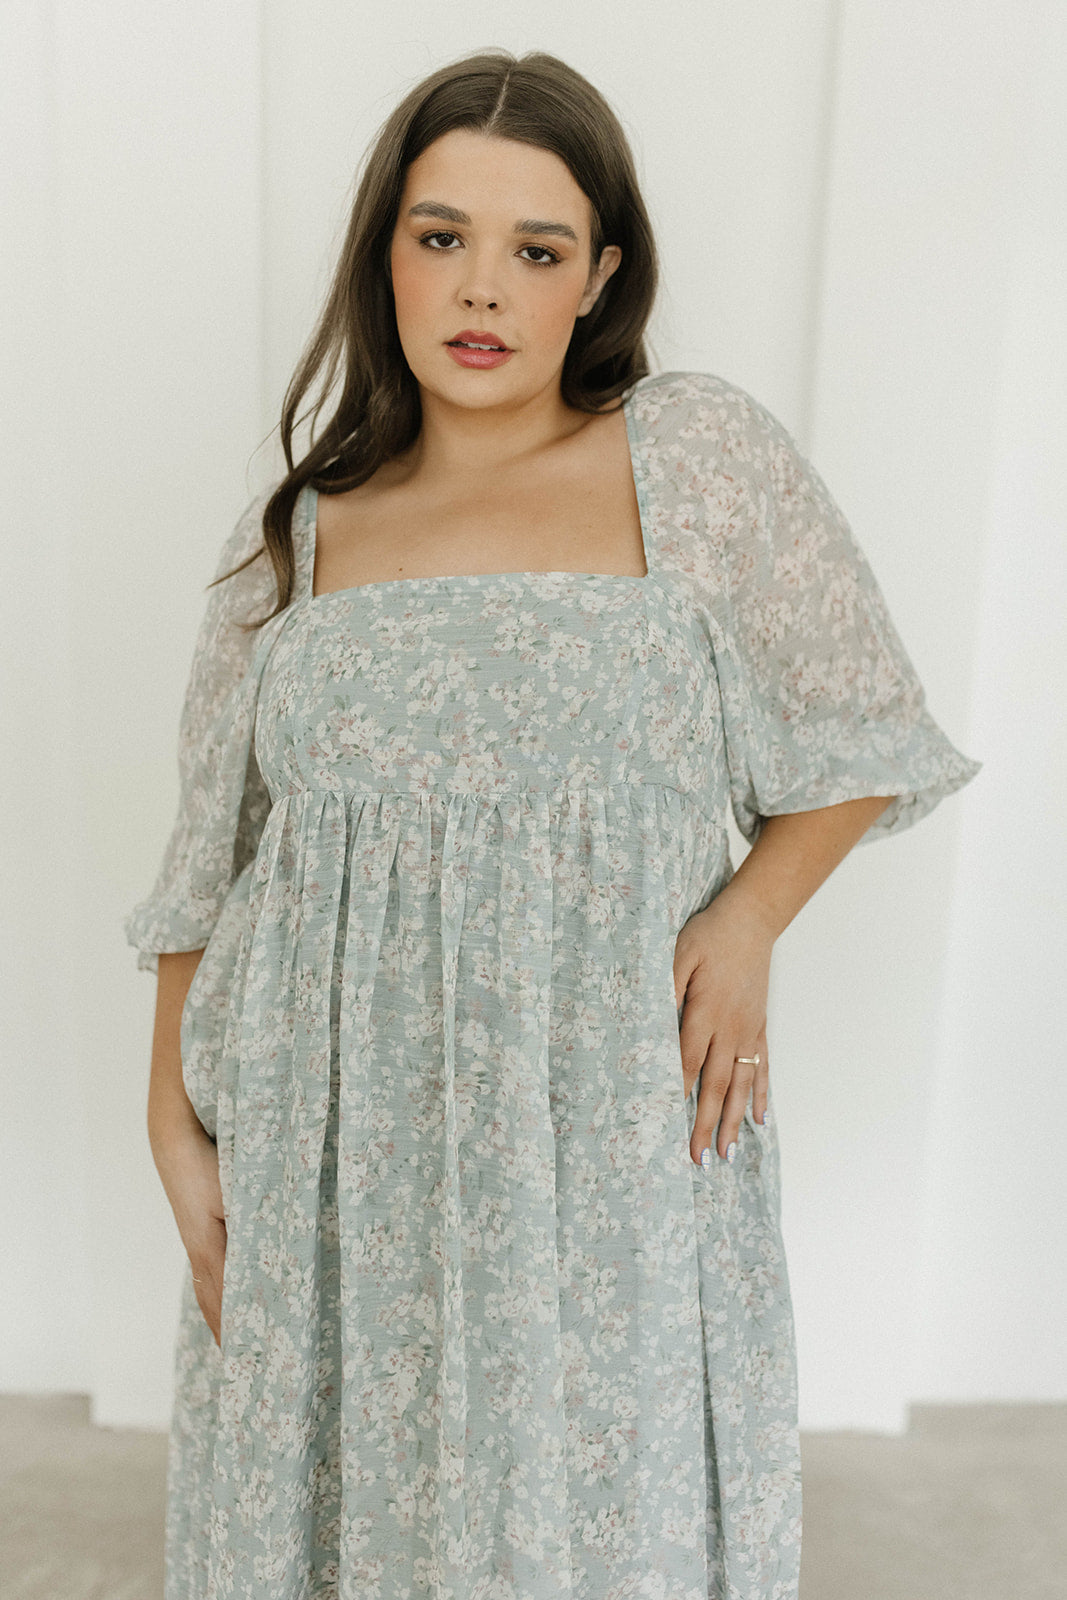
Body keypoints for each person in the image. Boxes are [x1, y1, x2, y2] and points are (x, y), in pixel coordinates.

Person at [123, 47, 982, 1600]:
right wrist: (171, 1121)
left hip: (613, 1121)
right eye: (441, 235)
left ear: (600, 278)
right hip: (331, 1139)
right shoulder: (301, 532)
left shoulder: (694, 457)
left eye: (537, 250)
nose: (483, 287)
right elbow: (213, 858)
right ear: (385, 252)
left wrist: (748, 920)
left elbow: (862, 722)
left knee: (613, 1508)